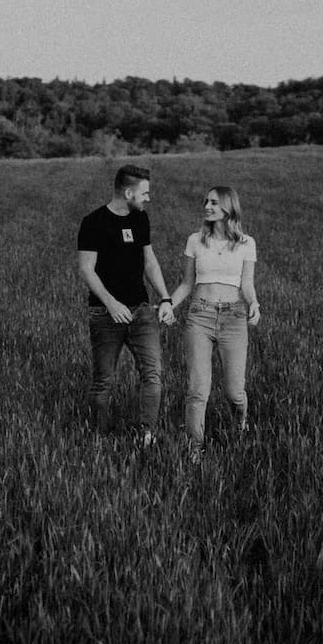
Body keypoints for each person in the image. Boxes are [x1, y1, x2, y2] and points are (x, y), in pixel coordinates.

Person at [76, 164, 175, 440]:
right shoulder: (93, 222)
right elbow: (86, 269)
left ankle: (147, 434)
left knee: (152, 375)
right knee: (104, 381)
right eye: (144, 193)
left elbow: (150, 262)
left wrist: (165, 298)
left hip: (141, 311)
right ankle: (100, 437)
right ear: (128, 192)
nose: (148, 198)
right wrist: (111, 303)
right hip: (105, 313)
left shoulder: (140, 219)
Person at [166, 185, 260, 457]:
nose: (207, 206)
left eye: (214, 202)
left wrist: (254, 303)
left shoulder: (246, 243)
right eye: (206, 201)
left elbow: (247, 284)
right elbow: (186, 284)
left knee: (234, 392)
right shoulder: (195, 240)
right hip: (200, 316)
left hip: (234, 317)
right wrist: (168, 305)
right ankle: (195, 449)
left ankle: (241, 421)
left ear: (228, 208)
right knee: (198, 390)